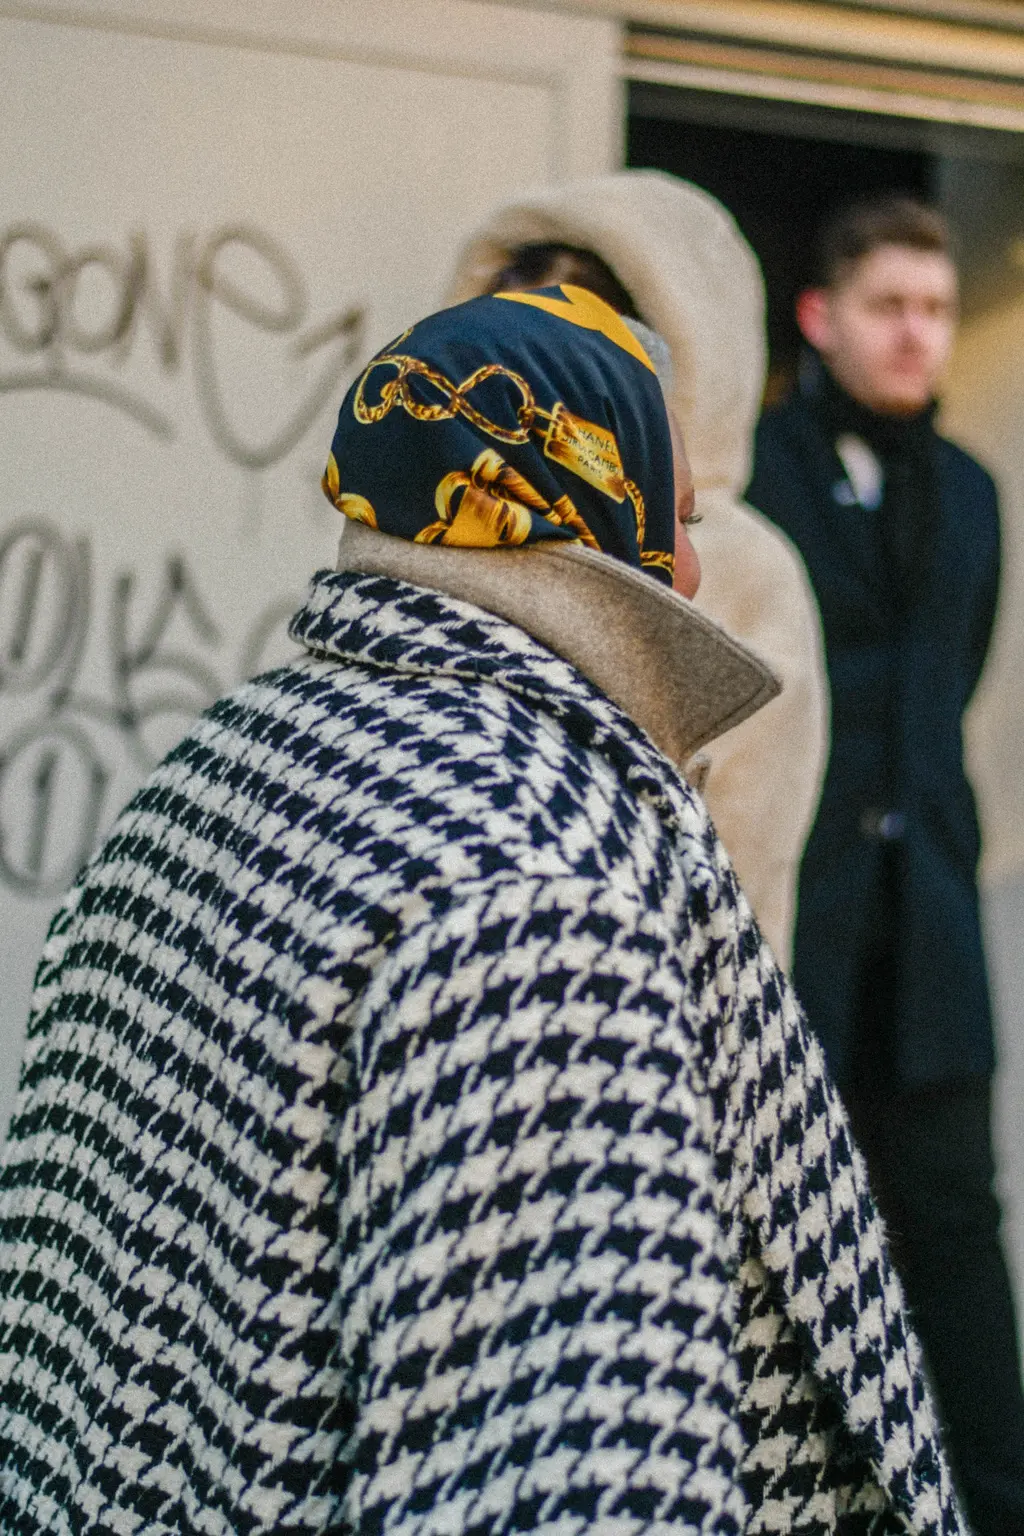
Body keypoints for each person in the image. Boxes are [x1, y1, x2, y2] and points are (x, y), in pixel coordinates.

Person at [0, 286, 963, 1535]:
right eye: (677, 518)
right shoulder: (541, 904)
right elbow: (582, 1482)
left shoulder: (211, 764)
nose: (699, 565)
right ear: (588, 511)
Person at [746, 193, 1024, 1536]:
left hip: (933, 929)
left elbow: (950, 679)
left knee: (958, 1227)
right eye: (889, 307)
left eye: (934, 308)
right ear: (820, 317)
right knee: (789, 1230)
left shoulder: (971, 490)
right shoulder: (752, 474)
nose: (918, 333)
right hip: (800, 921)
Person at [445, 168, 828, 970]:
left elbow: (745, 862)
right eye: (511, 340)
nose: (536, 382)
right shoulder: (444, 517)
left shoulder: (746, 569)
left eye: (580, 346)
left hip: (637, 987)